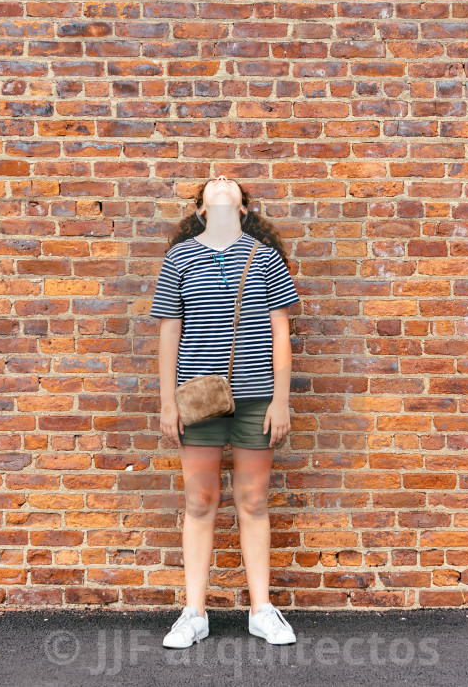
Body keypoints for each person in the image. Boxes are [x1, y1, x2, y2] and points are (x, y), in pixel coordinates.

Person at [150, 175, 301, 649]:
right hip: (199, 399)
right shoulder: (179, 258)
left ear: (242, 209)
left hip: (257, 397)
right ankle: (193, 613)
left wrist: (280, 400)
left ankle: (261, 611)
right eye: (211, 185)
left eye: (229, 184)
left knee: (253, 502)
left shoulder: (264, 256)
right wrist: (167, 400)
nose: (220, 179)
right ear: (200, 211)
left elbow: (281, 333)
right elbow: (168, 333)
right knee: (199, 502)